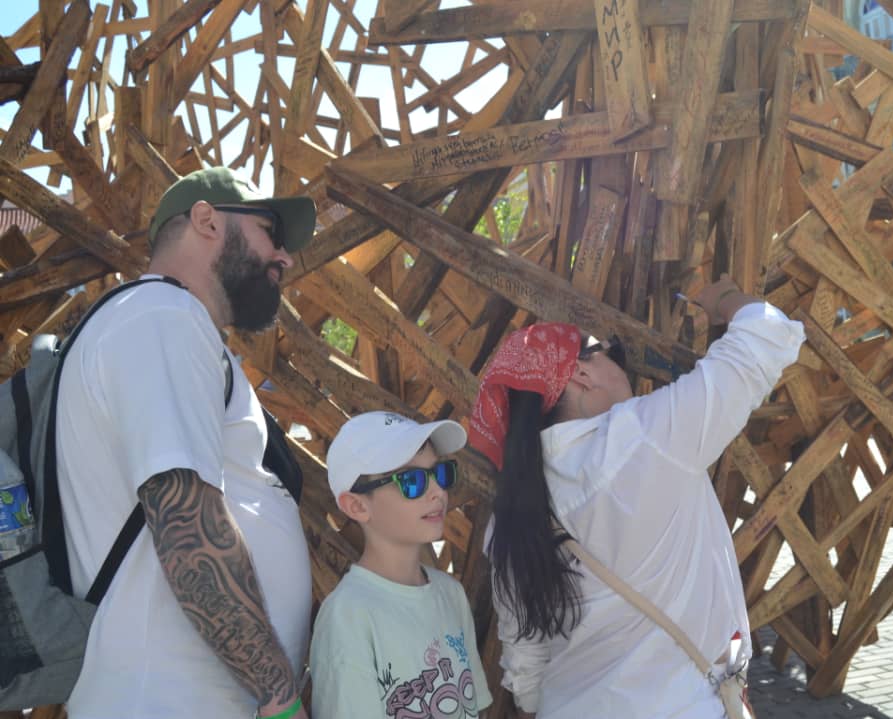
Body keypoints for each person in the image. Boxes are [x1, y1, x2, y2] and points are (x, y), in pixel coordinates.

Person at [468, 276, 806, 719]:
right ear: (580, 373)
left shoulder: (507, 522)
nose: (621, 365)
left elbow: (526, 667)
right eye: (612, 351)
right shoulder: (646, 436)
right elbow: (767, 334)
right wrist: (723, 298)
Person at [55, 167, 316, 718]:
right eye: (270, 229)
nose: (284, 257)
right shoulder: (162, 317)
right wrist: (281, 700)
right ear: (207, 220)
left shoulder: (162, 322)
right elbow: (187, 526)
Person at [311, 411, 493, 719]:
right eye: (412, 481)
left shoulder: (451, 593)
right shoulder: (348, 617)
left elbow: (477, 707)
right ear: (357, 505)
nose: (437, 491)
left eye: (441, 473)